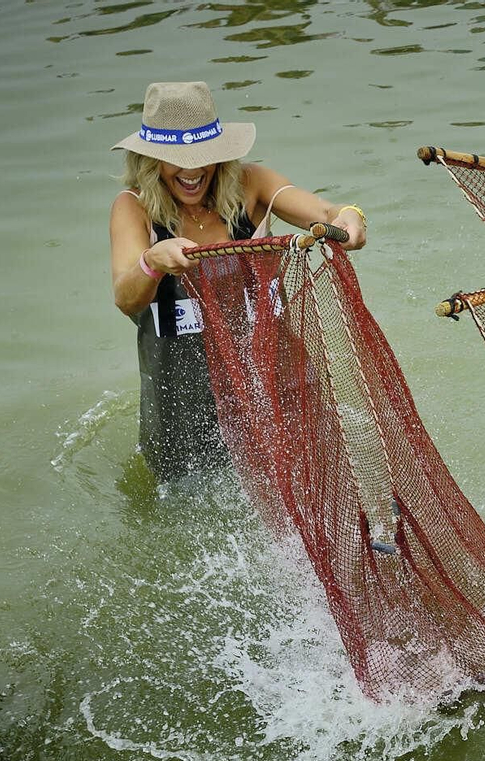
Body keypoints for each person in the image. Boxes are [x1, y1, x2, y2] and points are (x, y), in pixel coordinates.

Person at [108, 81, 368, 480]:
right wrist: (152, 262)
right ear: (150, 160)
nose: (192, 171)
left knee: (320, 482)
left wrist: (350, 216)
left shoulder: (252, 185)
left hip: (276, 382)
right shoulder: (135, 208)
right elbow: (126, 297)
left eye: (203, 157)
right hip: (183, 403)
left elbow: (326, 211)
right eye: (177, 159)